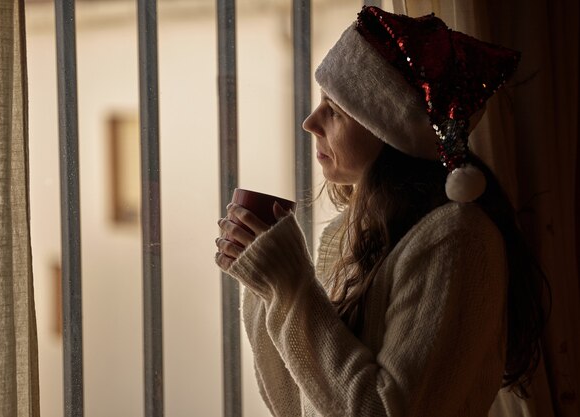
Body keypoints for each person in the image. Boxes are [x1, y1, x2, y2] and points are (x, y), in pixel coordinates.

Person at [214, 6, 548, 417]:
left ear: (386, 131)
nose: (310, 122)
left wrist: (291, 286)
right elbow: (300, 407)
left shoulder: (457, 239)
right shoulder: (346, 235)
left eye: (334, 109)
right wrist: (268, 286)